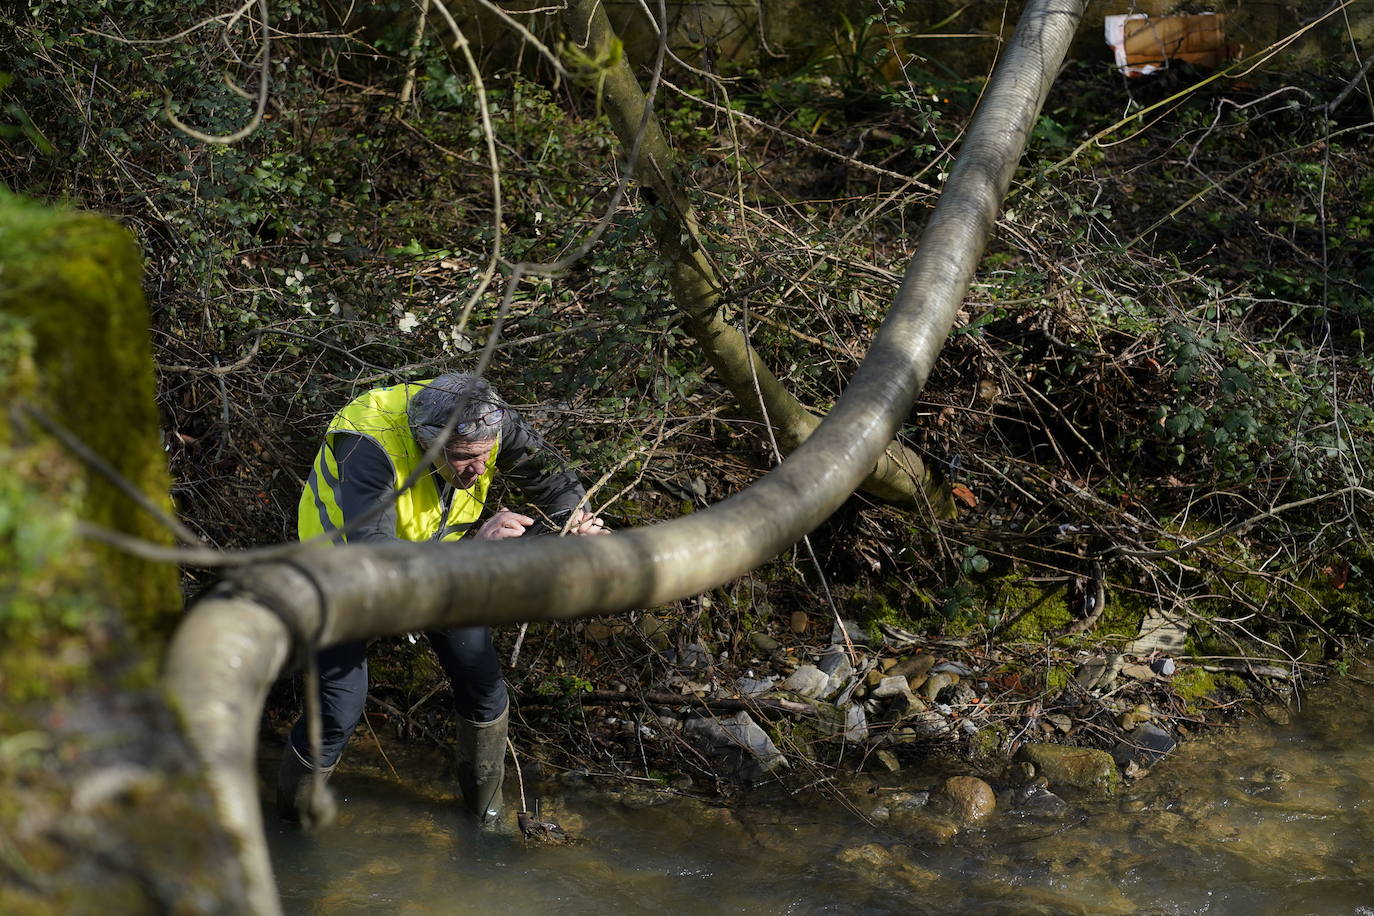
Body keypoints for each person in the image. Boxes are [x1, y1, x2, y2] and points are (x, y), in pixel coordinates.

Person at [278, 373, 607, 828]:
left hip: (440, 568)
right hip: (339, 575)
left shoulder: (486, 416)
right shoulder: (366, 444)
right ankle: (291, 826)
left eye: (485, 456)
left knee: (484, 687)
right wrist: (476, 550)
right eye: (463, 460)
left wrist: (577, 521)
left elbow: (550, 478)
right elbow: (378, 556)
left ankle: (485, 819)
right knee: (339, 711)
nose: (477, 471)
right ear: (426, 444)